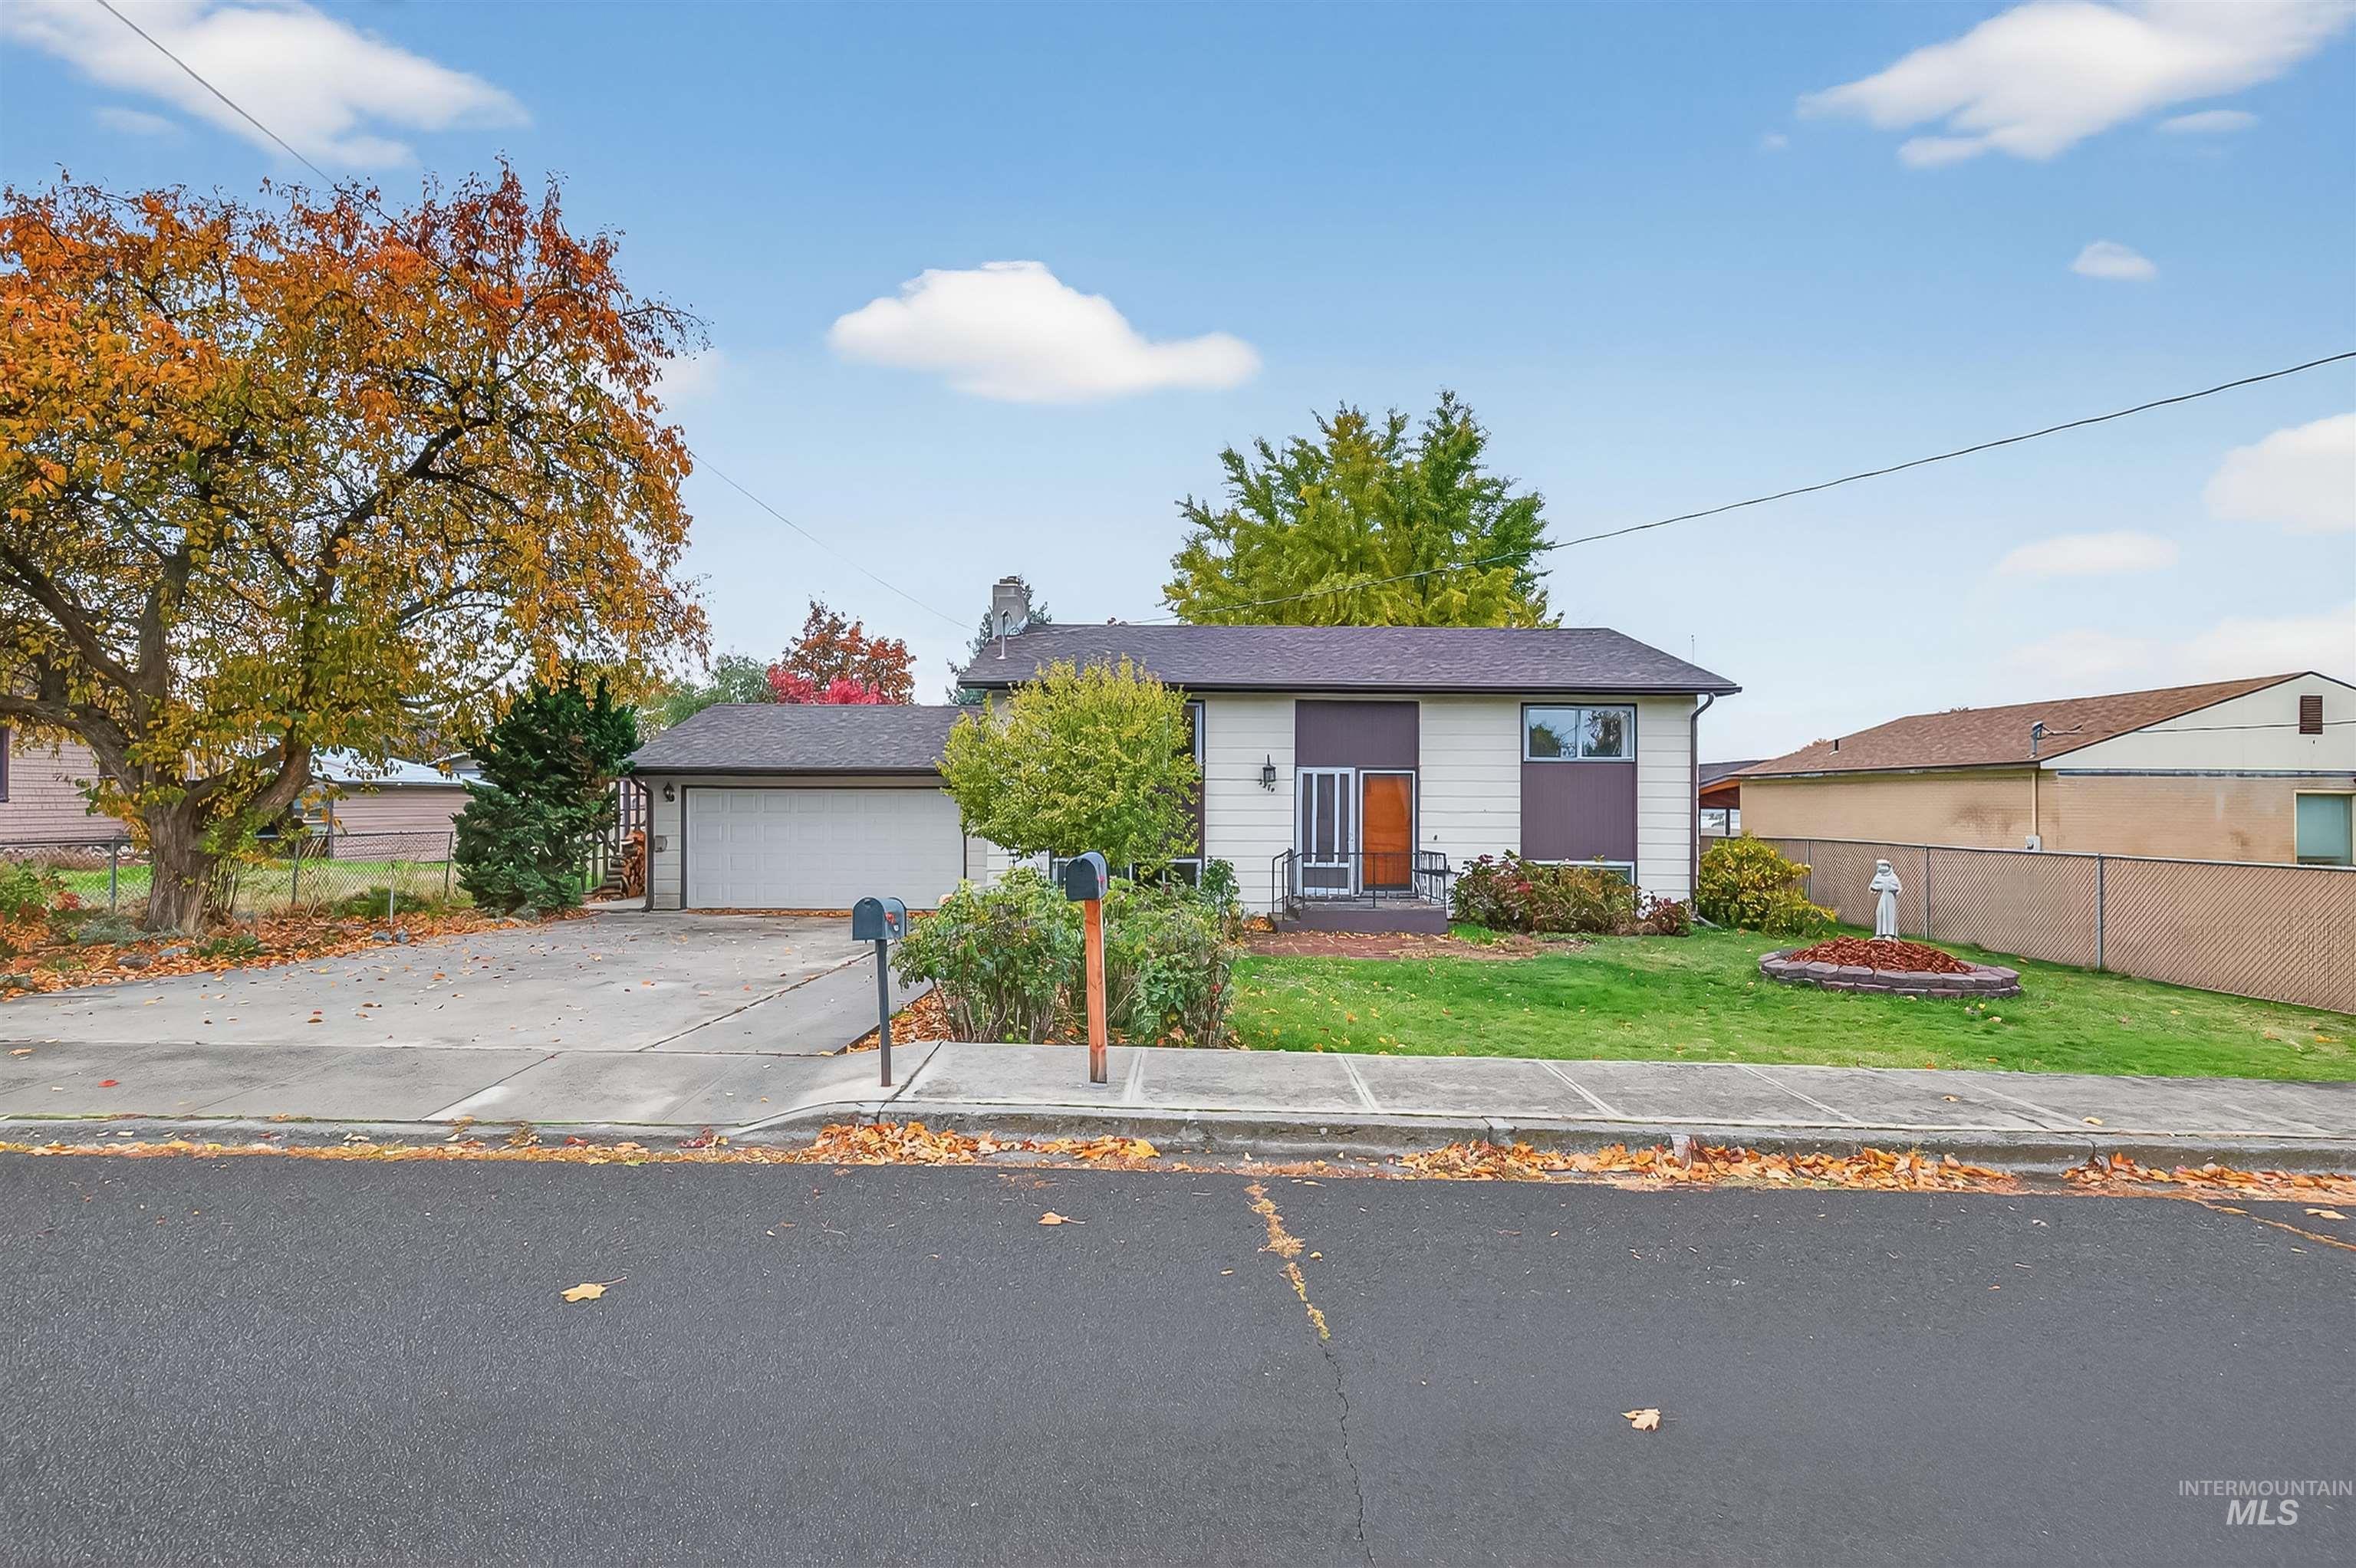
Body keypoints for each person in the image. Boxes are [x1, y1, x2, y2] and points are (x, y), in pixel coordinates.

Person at [1868, 859, 1903, 941]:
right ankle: (1879, 934)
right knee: (1880, 913)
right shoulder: (1878, 876)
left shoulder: (1893, 877)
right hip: (1882, 898)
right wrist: (1875, 889)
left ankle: (1890, 934)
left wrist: (1891, 889)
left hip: (1890, 898)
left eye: (1883, 866)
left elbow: (1898, 887)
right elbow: (1873, 886)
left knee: (1889, 915)